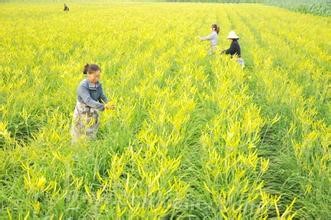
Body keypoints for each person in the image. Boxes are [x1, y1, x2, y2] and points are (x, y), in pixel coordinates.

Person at [71, 64, 114, 142]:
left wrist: (108, 103)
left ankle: (90, 147)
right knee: (79, 133)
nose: (97, 78)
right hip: (82, 112)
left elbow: (101, 96)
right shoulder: (82, 86)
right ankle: (77, 149)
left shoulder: (98, 84)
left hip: (93, 110)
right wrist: (104, 106)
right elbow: (88, 101)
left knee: (91, 131)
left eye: (98, 76)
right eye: (95, 76)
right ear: (88, 74)